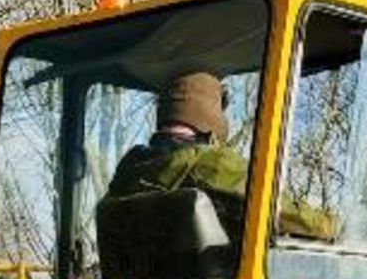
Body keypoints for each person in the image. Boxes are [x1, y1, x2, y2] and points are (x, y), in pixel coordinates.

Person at [105, 71, 336, 241]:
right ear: (210, 115)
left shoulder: (129, 172)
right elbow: (285, 212)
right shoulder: (212, 162)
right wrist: (334, 225)